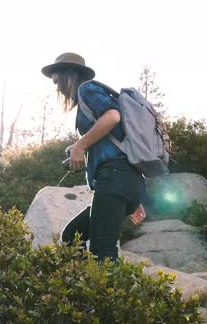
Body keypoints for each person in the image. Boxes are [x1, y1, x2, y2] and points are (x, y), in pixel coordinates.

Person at [41, 52, 146, 262]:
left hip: (115, 178)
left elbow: (112, 117)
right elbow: (116, 138)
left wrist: (81, 145)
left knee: (103, 253)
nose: (56, 87)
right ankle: (82, 289)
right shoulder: (94, 96)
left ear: (69, 74)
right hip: (126, 180)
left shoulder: (87, 89)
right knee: (72, 237)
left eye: (57, 80)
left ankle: (107, 293)